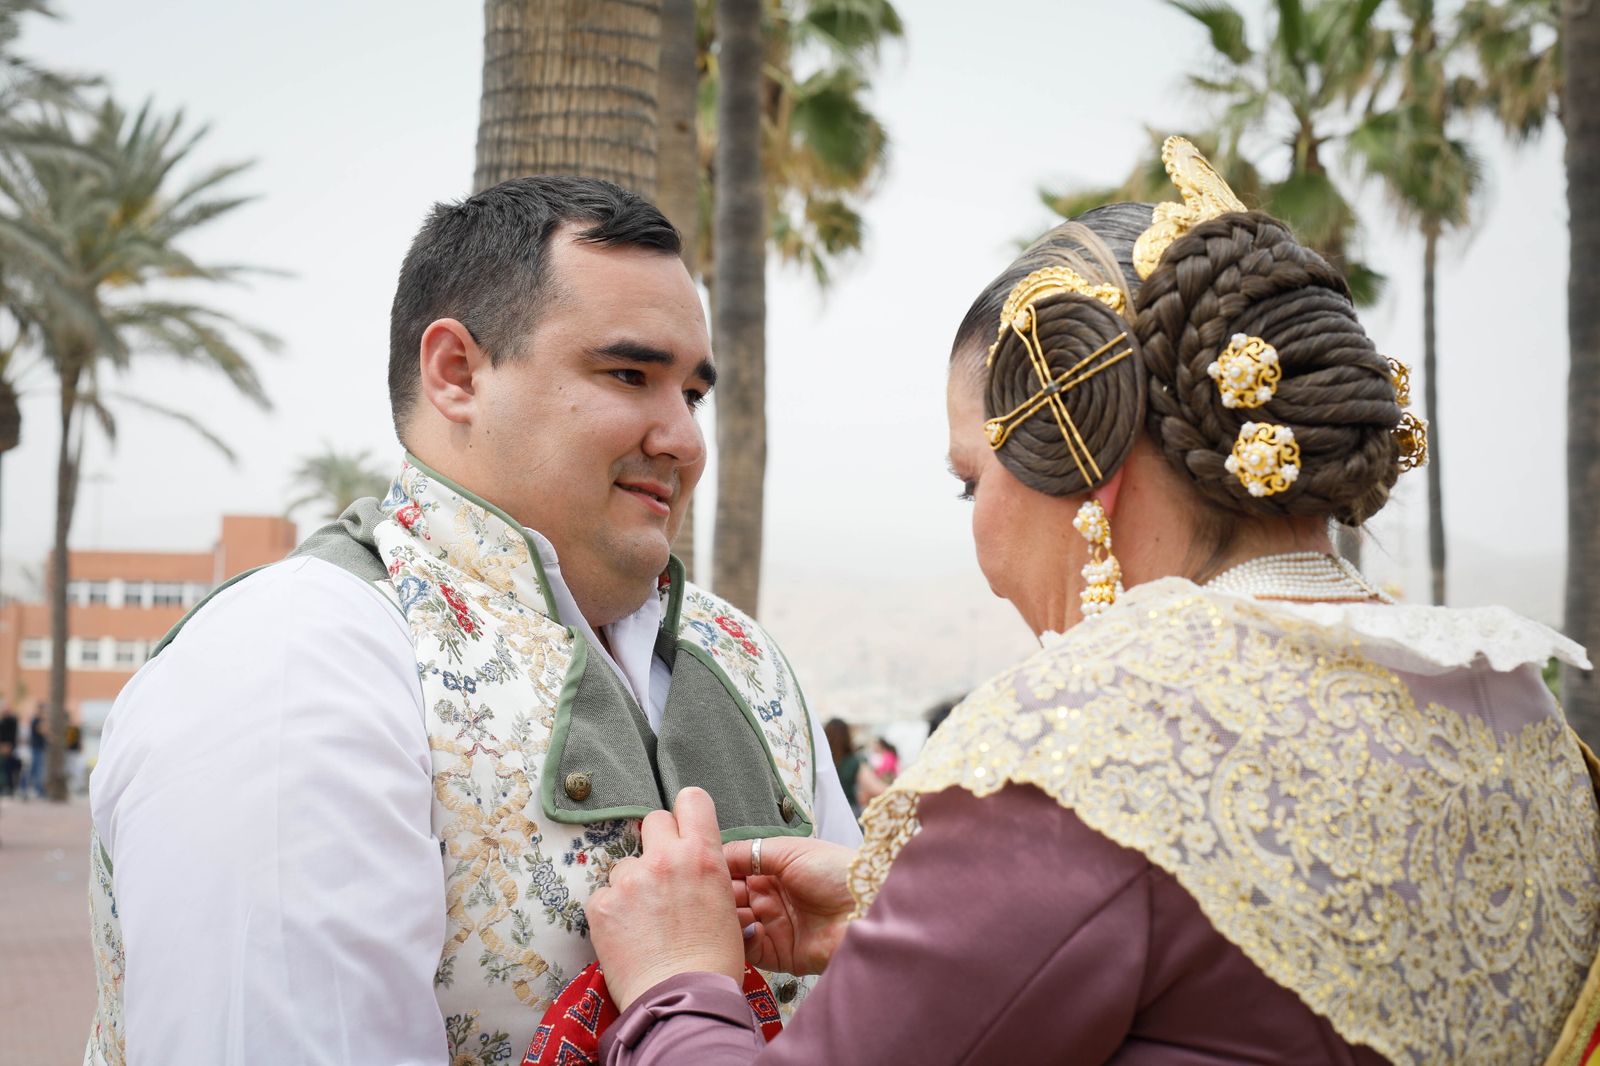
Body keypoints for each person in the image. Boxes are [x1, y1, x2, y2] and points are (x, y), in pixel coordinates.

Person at [581, 139, 1600, 1064]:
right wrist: (911, 909)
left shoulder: (1087, 752)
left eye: (971, 481)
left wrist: (678, 984)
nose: (979, 535)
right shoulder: (1517, 708)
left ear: (1083, 448)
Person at [83, 177, 859, 1066]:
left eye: (692, 394)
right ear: (455, 372)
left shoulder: (746, 659)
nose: (683, 438)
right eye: (630, 375)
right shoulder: (295, 656)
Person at [24, 703, 46, 799]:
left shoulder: (41, 720)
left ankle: (28, 788)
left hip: (40, 748)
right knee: (37, 769)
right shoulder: (36, 720)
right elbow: (41, 730)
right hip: (36, 748)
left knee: (36, 769)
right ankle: (37, 789)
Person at [0, 702, 19, 797]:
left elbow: (12, 734)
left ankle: (10, 788)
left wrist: (8, 746)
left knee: (9, 768)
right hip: (2, 747)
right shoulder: (2, 720)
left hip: (10, 746)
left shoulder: (12, 719)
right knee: (3, 768)